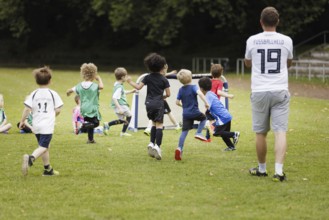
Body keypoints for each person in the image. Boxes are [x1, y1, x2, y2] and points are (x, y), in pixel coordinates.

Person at [244, 6, 293, 182]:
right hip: (280, 89)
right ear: (277, 21)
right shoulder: (286, 40)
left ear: (261, 22)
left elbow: (248, 63)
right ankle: (278, 171)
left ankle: (262, 169)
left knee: (260, 133)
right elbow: (288, 63)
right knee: (280, 132)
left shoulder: (252, 40)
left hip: (259, 90)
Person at [20, 66, 63, 176]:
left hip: (36, 125)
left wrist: (22, 121)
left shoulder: (33, 94)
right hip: (47, 125)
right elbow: (58, 109)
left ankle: (47, 169)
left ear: (37, 81)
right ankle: (31, 158)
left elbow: (27, 109)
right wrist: (53, 115)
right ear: (50, 81)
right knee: (44, 147)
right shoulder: (53, 93)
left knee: (44, 146)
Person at [127, 53, 170, 160]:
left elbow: (138, 87)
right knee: (159, 125)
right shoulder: (164, 79)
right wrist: (162, 97)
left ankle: (151, 143)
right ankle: (158, 147)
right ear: (161, 66)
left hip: (148, 104)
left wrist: (129, 81)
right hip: (158, 104)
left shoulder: (147, 77)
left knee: (153, 124)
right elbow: (168, 94)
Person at [174, 69, 209, 161]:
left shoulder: (181, 90)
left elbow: (177, 102)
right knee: (204, 118)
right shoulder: (194, 87)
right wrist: (206, 102)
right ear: (190, 78)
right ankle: (198, 133)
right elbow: (200, 94)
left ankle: (179, 148)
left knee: (184, 132)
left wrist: (184, 106)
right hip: (194, 112)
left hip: (185, 114)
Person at [198, 77, 240, 152]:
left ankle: (234, 134)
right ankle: (231, 146)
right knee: (224, 134)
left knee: (216, 132)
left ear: (201, 88)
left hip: (222, 117)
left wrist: (202, 115)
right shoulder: (211, 93)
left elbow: (208, 106)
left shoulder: (208, 96)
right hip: (226, 115)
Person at [67, 63, 104, 144]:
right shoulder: (94, 86)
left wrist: (68, 92)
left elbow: (71, 90)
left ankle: (90, 140)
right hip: (92, 108)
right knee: (96, 123)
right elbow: (101, 87)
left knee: (90, 124)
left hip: (83, 108)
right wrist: (99, 79)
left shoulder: (80, 85)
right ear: (94, 74)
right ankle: (83, 127)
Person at [144, 65, 181, 135]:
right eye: (165, 69)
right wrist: (171, 72)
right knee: (168, 113)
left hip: (155, 100)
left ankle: (148, 128)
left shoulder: (155, 76)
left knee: (154, 116)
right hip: (160, 100)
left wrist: (170, 72)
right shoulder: (161, 77)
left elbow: (164, 74)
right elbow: (164, 75)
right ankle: (177, 125)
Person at [205, 63, 235, 142]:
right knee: (213, 123)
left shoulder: (209, 81)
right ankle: (209, 136)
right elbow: (218, 92)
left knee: (211, 122)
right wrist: (228, 96)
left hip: (209, 105)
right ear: (221, 73)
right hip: (214, 106)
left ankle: (207, 137)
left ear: (211, 73)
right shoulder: (219, 82)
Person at [103, 67, 135, 137]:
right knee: (129, 116)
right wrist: (120, 108)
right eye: (126, 76)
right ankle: (123, 133)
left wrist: (131, 91)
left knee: (121, 120)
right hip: (121, 105)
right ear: (122, 77)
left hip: (118, 105)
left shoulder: (117, 84)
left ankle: (108, 124)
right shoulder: (119, 87)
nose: (126, 77)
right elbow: (114, 97)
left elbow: (122, 93)